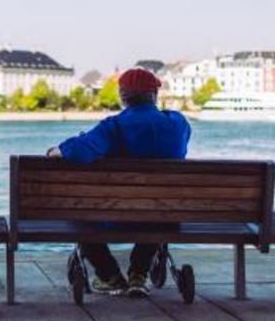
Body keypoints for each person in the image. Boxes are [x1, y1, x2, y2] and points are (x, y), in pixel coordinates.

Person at [46, 67, 191, 297]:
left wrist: (56, 150)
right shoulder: (178, 123)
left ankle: (110, 276)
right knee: (156, 210)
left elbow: (80, 150)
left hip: (117, 215)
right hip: (164, 214)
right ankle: (138, 275)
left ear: (123, 97)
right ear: (154, 94)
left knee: (81, 217)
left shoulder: (114, 126)